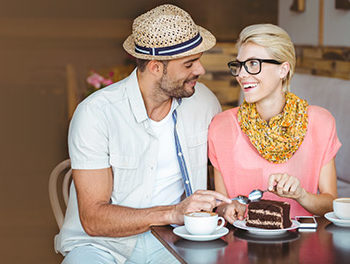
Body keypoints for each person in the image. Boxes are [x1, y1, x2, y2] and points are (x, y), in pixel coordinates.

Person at [55, 4, 232, 264]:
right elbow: (94, 219)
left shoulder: (204, 102)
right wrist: (173, 213)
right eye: (189, 64)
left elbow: (225, 168)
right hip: (101, 245)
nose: (200, 70)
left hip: (176, 241)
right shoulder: (96, 114)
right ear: (155, 67)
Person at [208, 24, 341, 224]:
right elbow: (222, 204)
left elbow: (331, 204)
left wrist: (301, 195)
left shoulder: (321, 123)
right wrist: (227, 207)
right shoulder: (221, 126)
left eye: (253, 64)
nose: (242, 74)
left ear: (283, 69)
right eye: (239, 65)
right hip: (241, 248)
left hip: (303, 246)